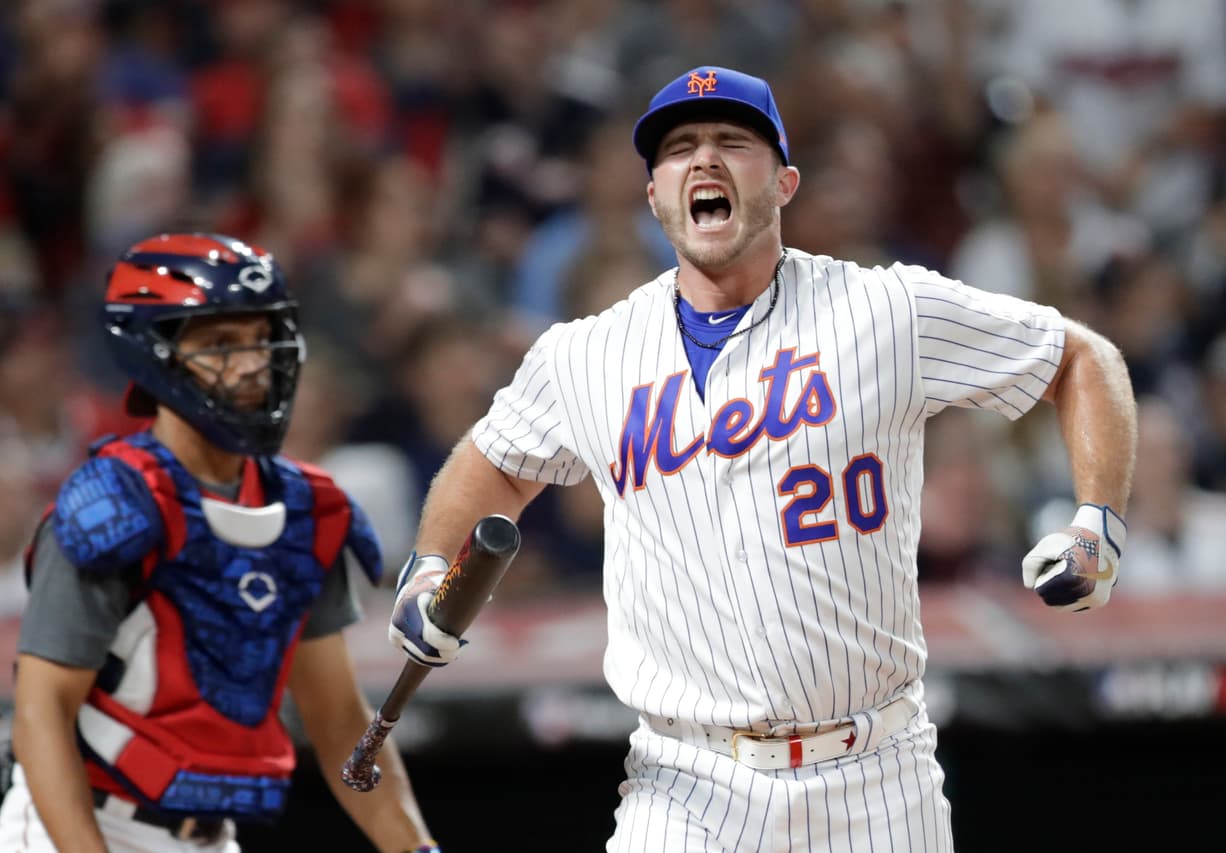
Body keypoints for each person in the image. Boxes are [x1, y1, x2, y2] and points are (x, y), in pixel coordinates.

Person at [388, 66, 1138, 851]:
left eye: (731, 141)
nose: (704, 160)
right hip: (683, 781)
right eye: (679, 148)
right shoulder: (585, 353)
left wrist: (1098, 526)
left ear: (784, 183)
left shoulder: (885, 310)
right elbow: (496, 462)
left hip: (875, 777)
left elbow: (1080, 358)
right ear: (654, 195)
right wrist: (430, 567)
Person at [0, 233, 440, 853]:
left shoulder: (306, 513)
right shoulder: (110, 505)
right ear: (153, 353)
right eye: (220, 344)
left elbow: (341, 720)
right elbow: (41, 715)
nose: (251, 364)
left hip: (208, 836)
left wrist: (417, 847)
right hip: (73, 824)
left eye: (262, 337)